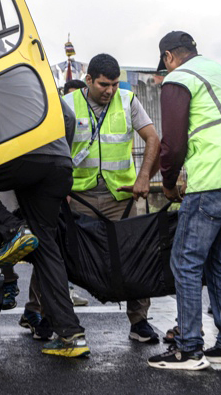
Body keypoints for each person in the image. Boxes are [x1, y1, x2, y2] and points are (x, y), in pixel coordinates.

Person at [147, 32, 221, 370]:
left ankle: (188, 348)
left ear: (168, 57)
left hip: (214, 179)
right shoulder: (220, 72)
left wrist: (169, 182)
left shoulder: (179, 78)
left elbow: (173, 143)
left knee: (186, 260)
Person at [0, 79, 87, 358]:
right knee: (46, 247)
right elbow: (68, 116)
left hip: (26, 156)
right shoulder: (33, 76)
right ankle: (70, 335)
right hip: (60, 163)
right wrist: (59, 153)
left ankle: (14, 232)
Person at [63, 53, 161, 344]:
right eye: (104, 84)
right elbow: (54, 148)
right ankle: (42, 314)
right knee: (59, 254)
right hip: (78, 196)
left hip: (121, 197)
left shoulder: (128, 101)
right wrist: (60, 188)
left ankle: (139, 322)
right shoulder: (67, 105)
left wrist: (144, 177)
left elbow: (153, 139)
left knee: (135, 255)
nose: (110, 90)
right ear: (89, 80)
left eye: (115, 84)